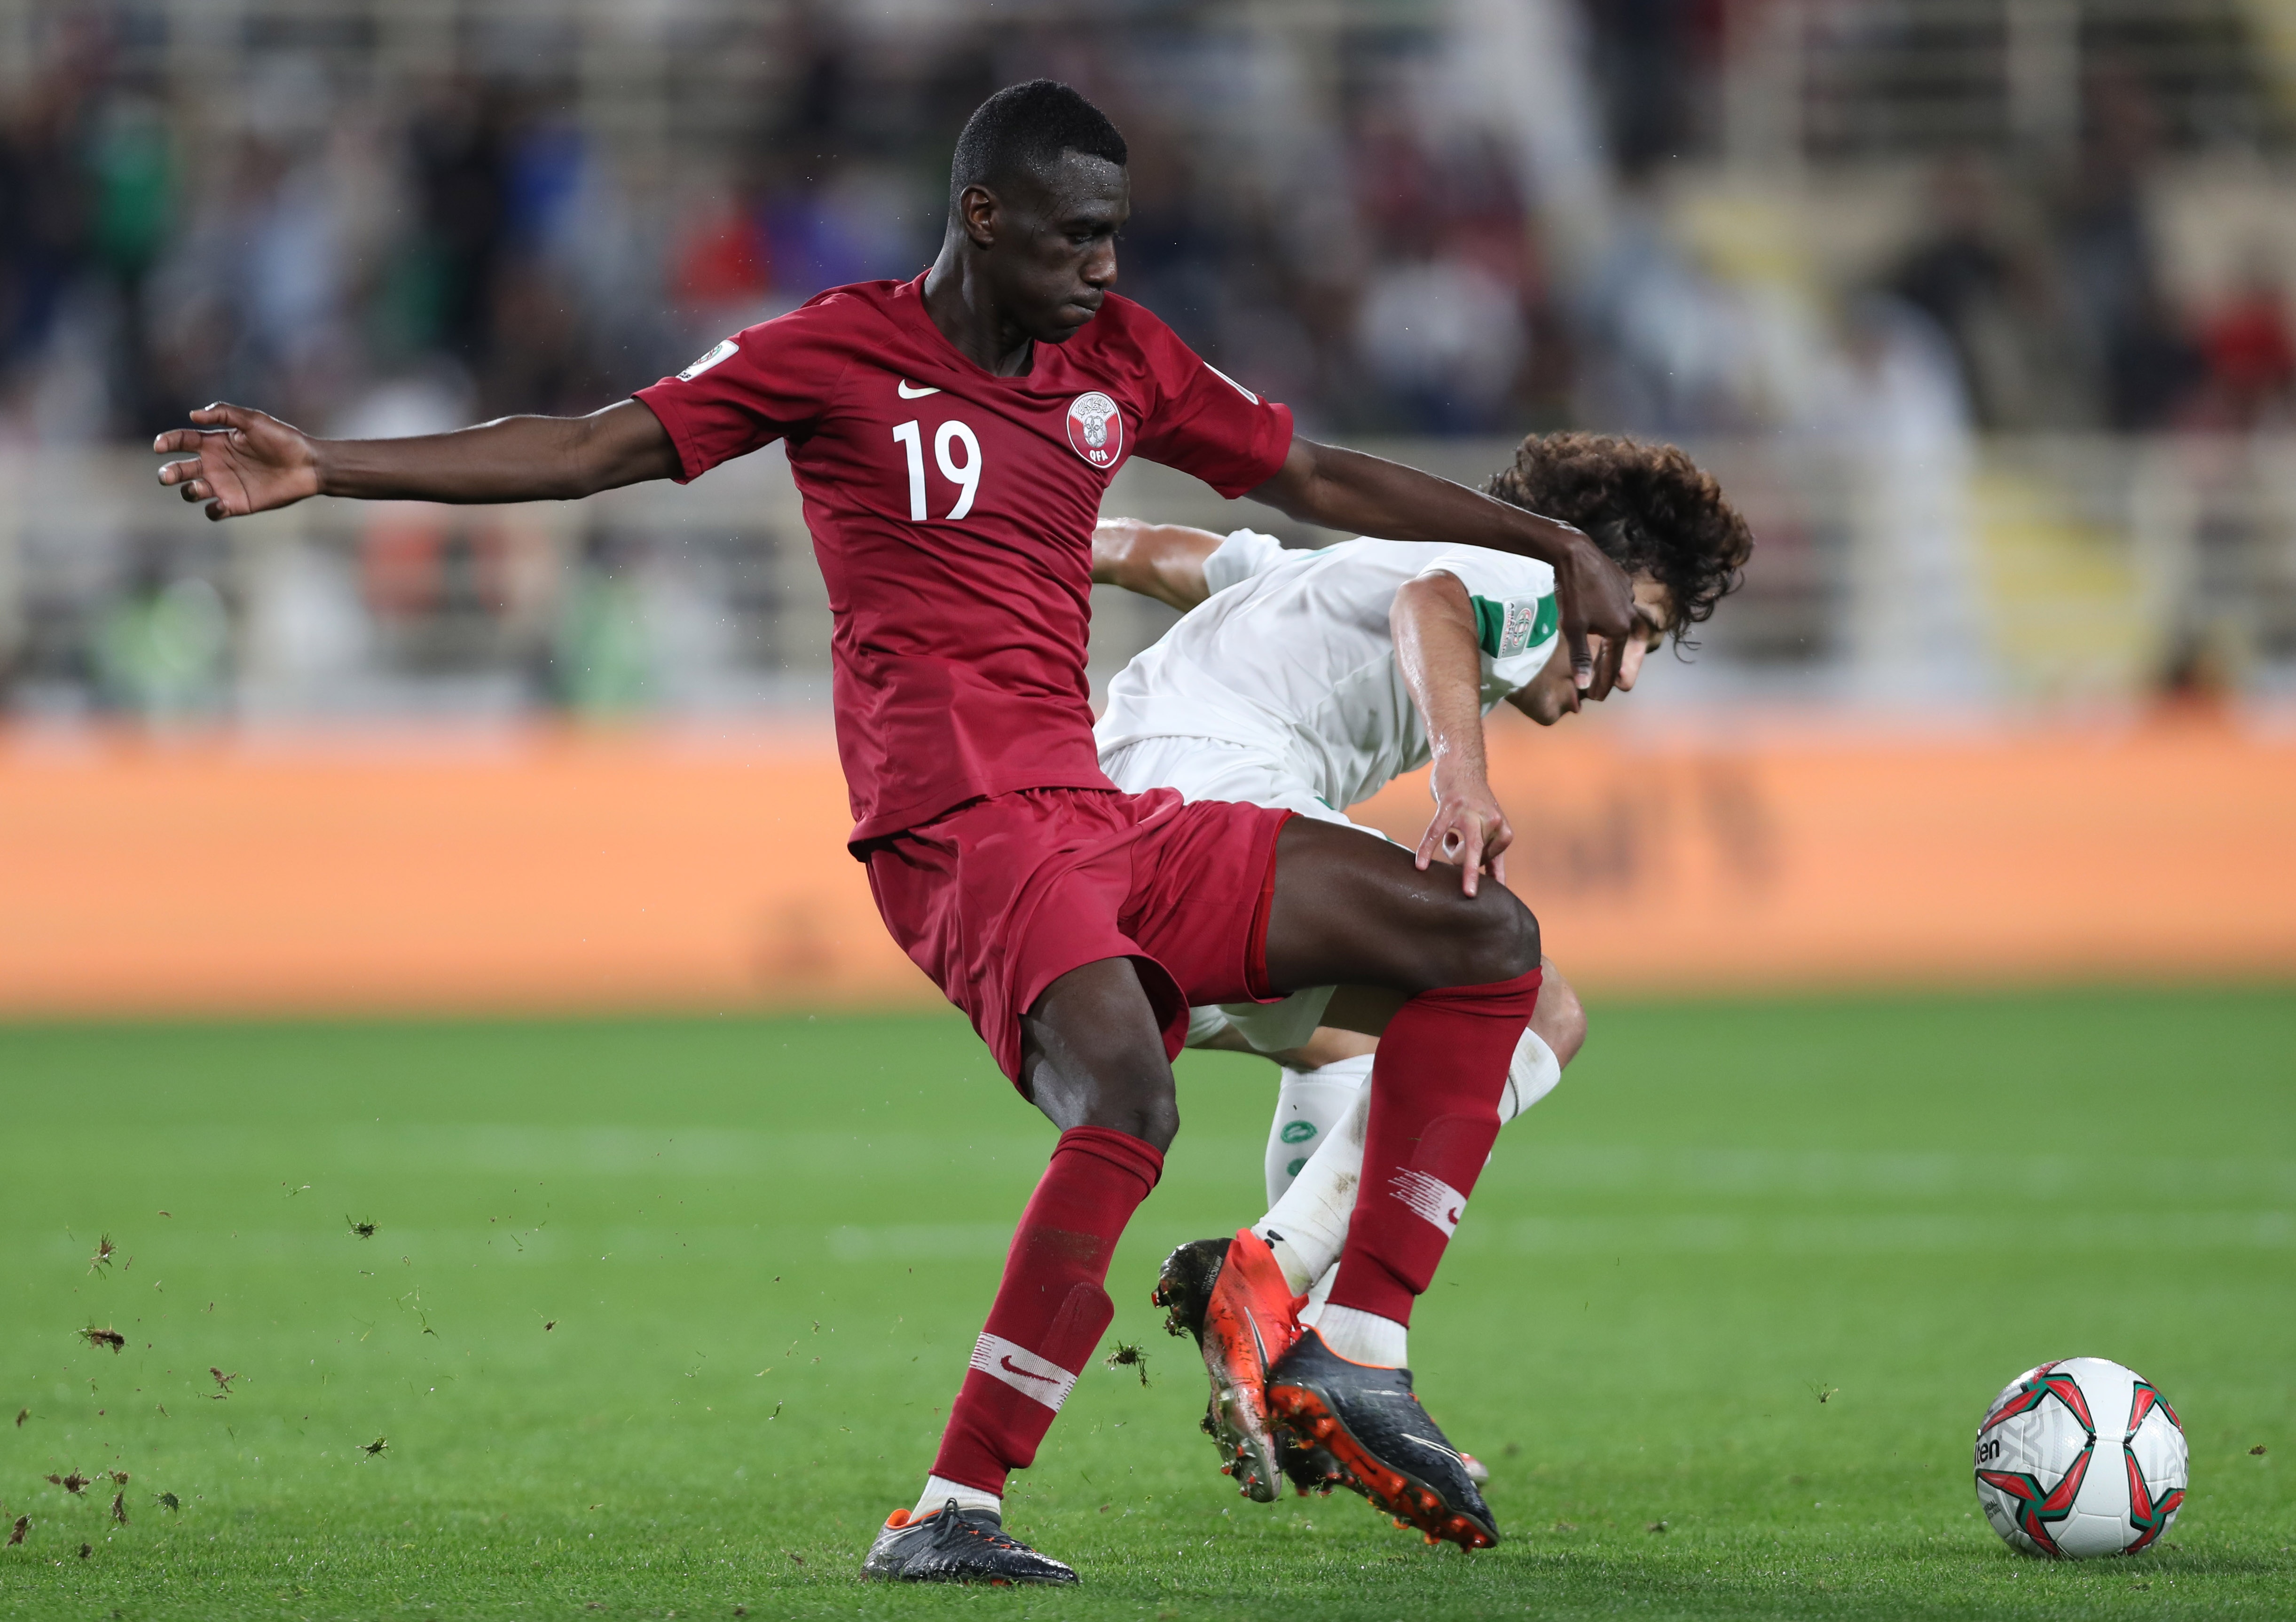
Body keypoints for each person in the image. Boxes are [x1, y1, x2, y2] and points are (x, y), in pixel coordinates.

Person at [152, 81, 1642, 1584]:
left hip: (1101, 813)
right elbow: (595, 447)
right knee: (1127, 1097)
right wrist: (331, 466)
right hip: (952, 830)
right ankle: (952, 1508)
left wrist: (1552, 537)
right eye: (1077, 236)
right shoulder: (834, 349)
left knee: (1484, 941)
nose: (1107, 268)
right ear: (982, 218)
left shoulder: (1119, 358)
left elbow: (1316, 475)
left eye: (1117, 238)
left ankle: (1358, 1350)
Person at [1085, 431, 1752, 1508]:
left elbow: (1146, 548)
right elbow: (1435, 605)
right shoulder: (1517, 574)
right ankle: (1296, 1300)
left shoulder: (1324, 572)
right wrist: (1460, 780)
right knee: (1536, 1007)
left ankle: (1296, 1338)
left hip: (1105, 850)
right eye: (1637, 630)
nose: (1626, 672)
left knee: (1376, 1049)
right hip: (1210, 819)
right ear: (1590, 571)